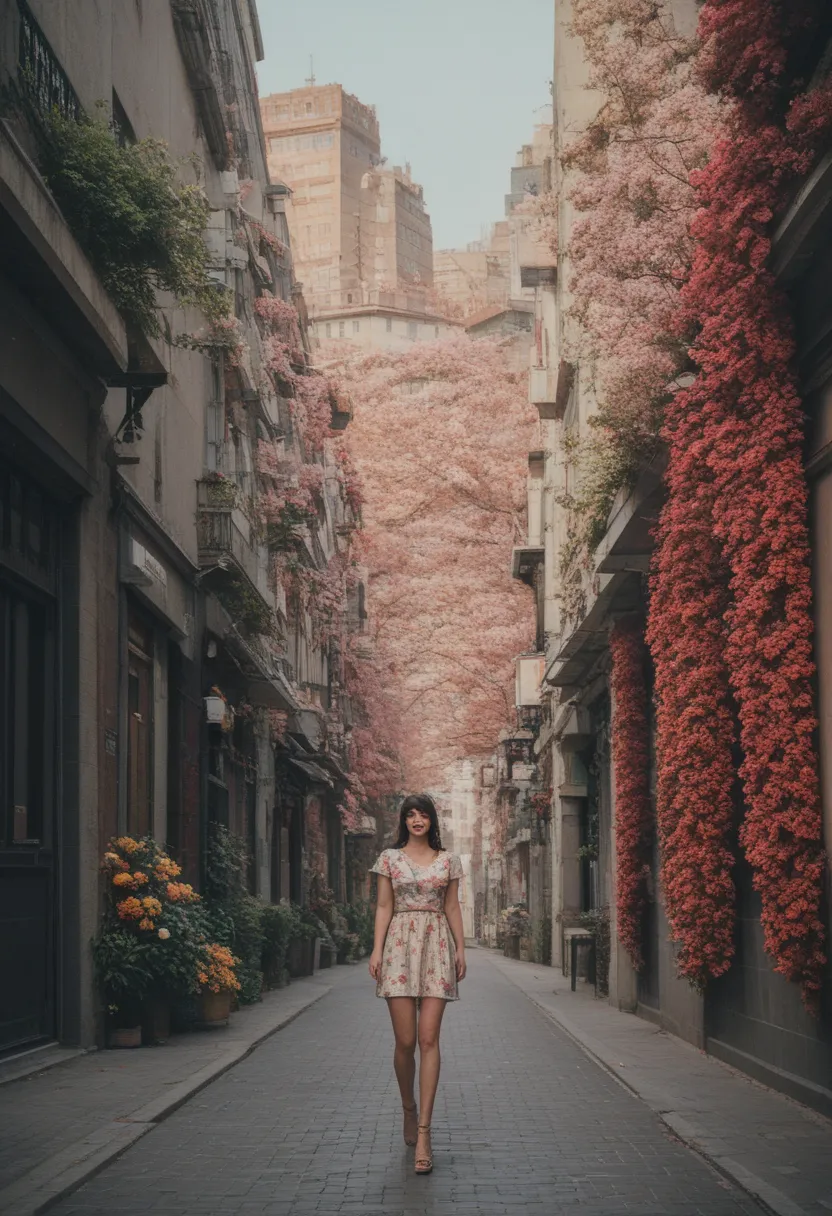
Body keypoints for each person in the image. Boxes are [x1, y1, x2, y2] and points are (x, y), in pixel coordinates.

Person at [368, 794, 467, 1175]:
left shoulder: (448, 861)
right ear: (403, 821)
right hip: (398, 947)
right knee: (405, 1042)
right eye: (410, 815)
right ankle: (407, 1107)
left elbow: (453, 906)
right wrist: (376, 951)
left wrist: (460, 948)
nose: (416, 820)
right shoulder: (389, 859)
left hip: (437, 945)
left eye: (422, 814)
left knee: (429, 1040)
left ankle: (424, 1131)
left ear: (432, 820)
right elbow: (383, 906)